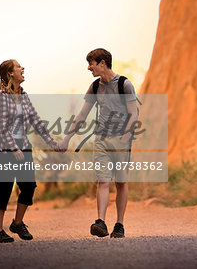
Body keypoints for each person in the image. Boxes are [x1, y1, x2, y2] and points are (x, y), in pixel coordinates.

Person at [59, 48, 138, 238]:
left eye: (91, 64)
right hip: (101, 139)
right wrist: (67, 138)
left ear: (102, 63)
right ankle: (101, 222)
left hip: (121, 140)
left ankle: (119, 224)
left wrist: (127, 135)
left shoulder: (124, 85)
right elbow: (82, 115)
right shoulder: (95, 87)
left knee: (120, 182)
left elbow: (134, 112)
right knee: (103, 180)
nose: (89, 68)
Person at [0, 59, 59, 243]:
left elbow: (36, 122)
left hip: (23, 145)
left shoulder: (24, 95)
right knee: (4, 188)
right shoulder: (1, 96)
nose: (23, 68)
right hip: (4, 147)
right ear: (10, 73)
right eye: (19, 66)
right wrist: (14, 148)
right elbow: (1, 128)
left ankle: (17, 223)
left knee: (29, 186)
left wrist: (52, 142)